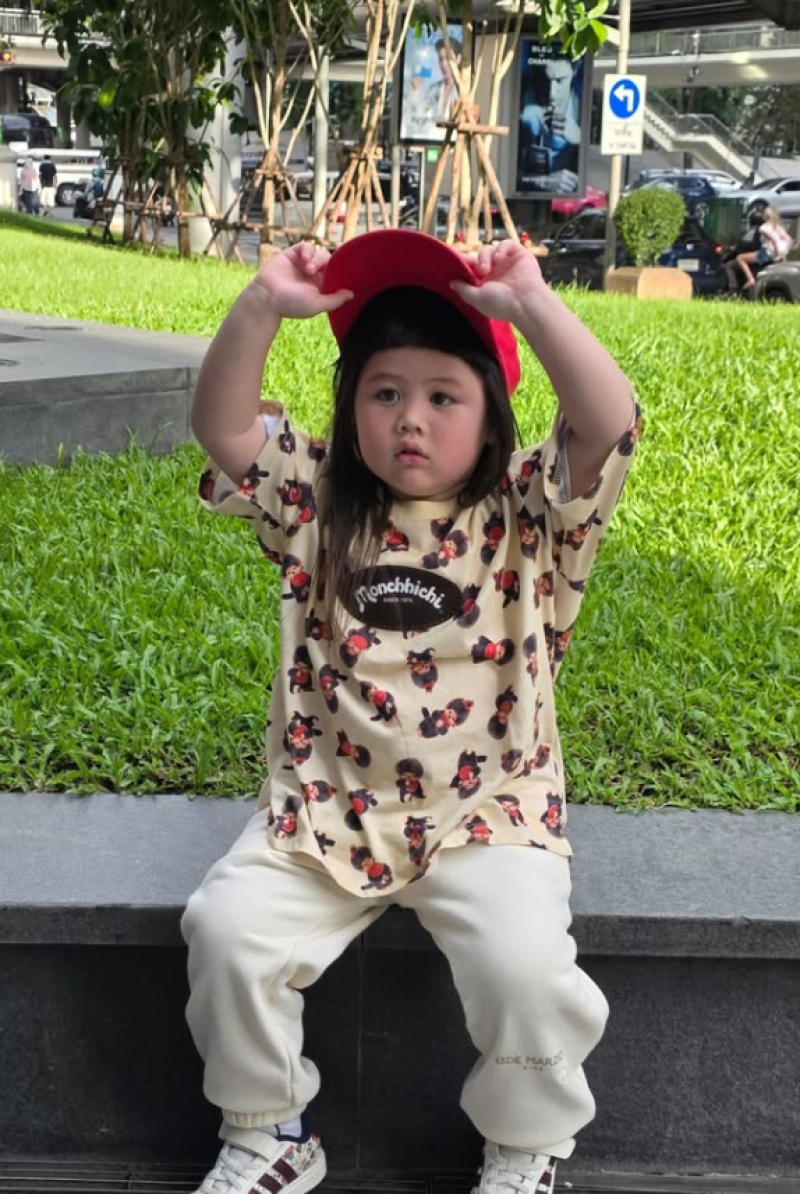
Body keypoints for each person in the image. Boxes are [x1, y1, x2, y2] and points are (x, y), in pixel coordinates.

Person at [184, 229, 640, 1194]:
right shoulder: (316, 499)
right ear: (350, 405)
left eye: (444, 396)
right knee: (225, 931)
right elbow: (221, 429)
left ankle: (525, 1144)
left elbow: (608, 421)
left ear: (493, 413)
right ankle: (269, 1130)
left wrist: (534, 305)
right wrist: (261, 305)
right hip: (327, 804)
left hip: (490, 811)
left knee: (526, 968)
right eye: (384, 393)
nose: (411, 421)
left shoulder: (530, 517)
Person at [519, 58, 581, 195]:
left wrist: (579, 138)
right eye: (546, 80)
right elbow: (507, 172)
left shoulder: (584, 108)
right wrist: (543, 181)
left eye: (560, 81)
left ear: (575, 70)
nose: (552, 93)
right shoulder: (521, 105)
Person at [734, 205, 793, 288]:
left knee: (740, 258)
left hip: (767, 253)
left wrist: (777, 254)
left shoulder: (764, 228)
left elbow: (774, 240)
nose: (762, 216)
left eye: (763, 214)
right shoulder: (778, 227)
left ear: (766, 216)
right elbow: (788, 239)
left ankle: (751, 279)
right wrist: (784, 251)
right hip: (782, 252)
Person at [427, 36, 462, 124]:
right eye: (441, 59)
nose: (444, 64)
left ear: (458, 59)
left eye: (448, 59)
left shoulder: (463, 90)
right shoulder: (433, 89)